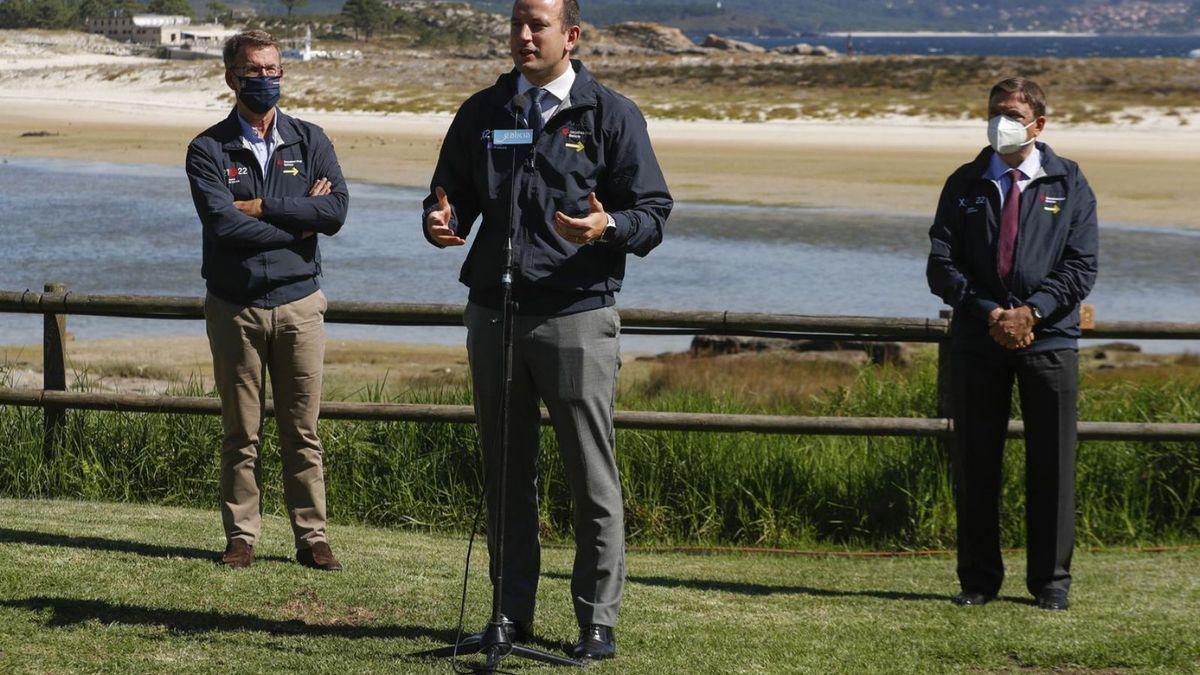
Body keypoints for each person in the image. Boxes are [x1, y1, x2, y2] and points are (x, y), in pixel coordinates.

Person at [422, 0, 672, 660]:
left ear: (573, 35)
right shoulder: (485, 113)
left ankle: (597, 622)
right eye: (516, 24)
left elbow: (652, 210)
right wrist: (438, 217)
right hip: (495, 313)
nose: (524, 35)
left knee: (591, 476)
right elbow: (450, 193)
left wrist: (607, 226)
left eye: (538, 24)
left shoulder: (609, 115)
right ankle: (508, 616)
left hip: (577, 315)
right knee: (507, 475)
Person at [927, 77, 1098, 611]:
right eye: (994, 111)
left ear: (1038, 124)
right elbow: (941, 264)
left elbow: (1081, 265)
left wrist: (1033, 311)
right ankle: (978, 580)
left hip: (1050, 343)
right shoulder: (965, 181)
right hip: (979, 342)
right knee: (977, 461)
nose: (1001, 121)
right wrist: (990, 312)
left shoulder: (1068, 183)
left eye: (1012, 113)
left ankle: (1050, 584)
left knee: (1053, 463)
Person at [185, 30, 349, 572]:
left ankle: (313, 537)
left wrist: (260, 207)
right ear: (231, 77)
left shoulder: (310, 139)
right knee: (241, 431)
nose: (265, 79)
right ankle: (242, 536)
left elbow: (336, 213)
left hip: (301, 305)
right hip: (235, 307)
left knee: (303, 431)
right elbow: (223, 226)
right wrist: (297, 221)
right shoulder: (207, 149)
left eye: (274, 69)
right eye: (254, 70)